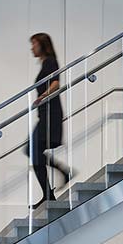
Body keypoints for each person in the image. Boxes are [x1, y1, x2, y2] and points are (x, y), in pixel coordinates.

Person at [28, 32, 73, 209]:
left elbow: (56, 83)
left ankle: (50, 191)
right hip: (45, 113)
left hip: (51, 113)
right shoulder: (45, 63)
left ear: (42, 45)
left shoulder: (50, 61)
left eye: (34, 44)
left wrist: (42, 97)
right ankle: (51, 190)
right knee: (34, 151)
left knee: (32, 150)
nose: (32, 48)